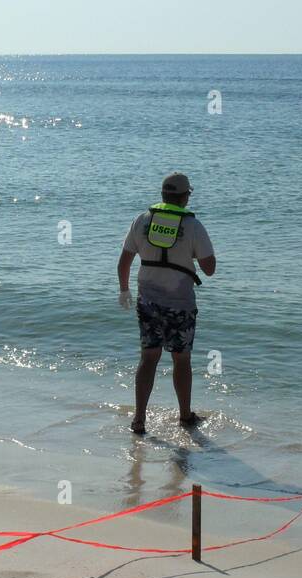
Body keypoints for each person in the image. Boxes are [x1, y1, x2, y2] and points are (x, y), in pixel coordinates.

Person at [117, 173, 217, 436]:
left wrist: (124, 290)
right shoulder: (194, 226)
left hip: (147, 301)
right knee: (181, 360)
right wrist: (187, 254)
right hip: (180, 305)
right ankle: (185, 417)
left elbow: (124, 261)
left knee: (148, 358)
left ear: (163, 195)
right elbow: (210, 269)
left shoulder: (142, 220)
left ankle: (139, 420)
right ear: (185, 197)